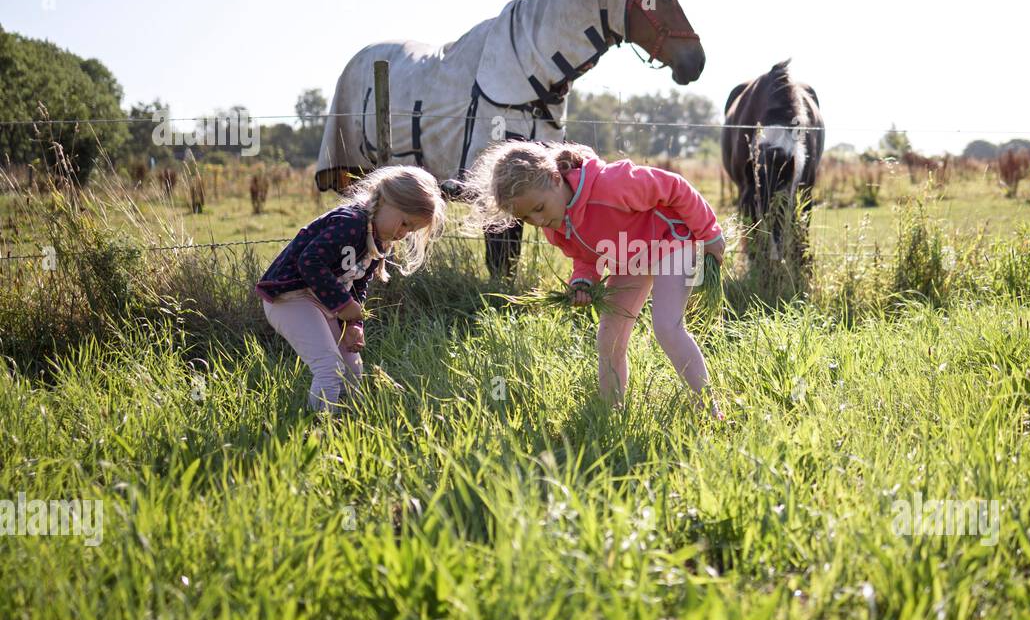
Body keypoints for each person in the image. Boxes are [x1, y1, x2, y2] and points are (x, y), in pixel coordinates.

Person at [467, 141, 725, 418]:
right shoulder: (556, 227)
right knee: (609, 338)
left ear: (555, 179)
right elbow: (587, 256)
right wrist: (583, 282)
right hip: (630, 259)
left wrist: (709, 233)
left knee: (667, 327)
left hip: (671, 241)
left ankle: (710, 411)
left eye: (539, 208)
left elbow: (674, 187)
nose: (538, 221)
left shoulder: (611, 185)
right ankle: (610, 413)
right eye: (526, 218)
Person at [255, 166, 445, 412]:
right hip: (289, 298)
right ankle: (319, 430)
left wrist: (354, 324)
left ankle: (350, 420)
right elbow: (309, 262)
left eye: (410, 230)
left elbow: (356, 282)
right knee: (329, 367)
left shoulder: (378, 239)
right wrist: (343, 306)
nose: (403, 233)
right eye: (405, 223)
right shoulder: (351, 223)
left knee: (353, 367)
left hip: (322, 300)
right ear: (385, 200)